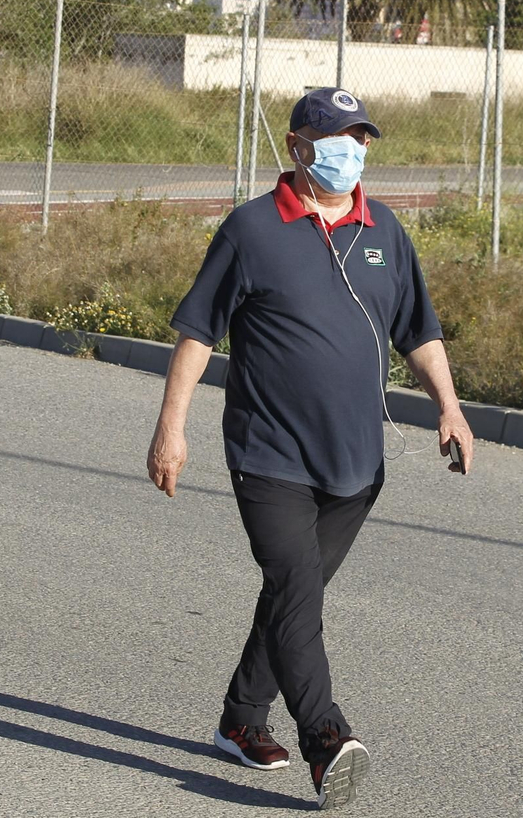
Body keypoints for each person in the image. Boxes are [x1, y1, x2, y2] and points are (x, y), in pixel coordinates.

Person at [146, 86, 476, 810]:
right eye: (334, 137)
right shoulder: (252, 230)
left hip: (357, 468)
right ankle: (326, 738)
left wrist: (449, 408)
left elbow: (419, 332)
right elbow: (199, 332)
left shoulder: (385, 230)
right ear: (297, 146)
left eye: (360, 137)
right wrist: (172, 426)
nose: (349, 150)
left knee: (293, 593)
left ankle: (240, 717)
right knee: (298, 592)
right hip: (269, 457)